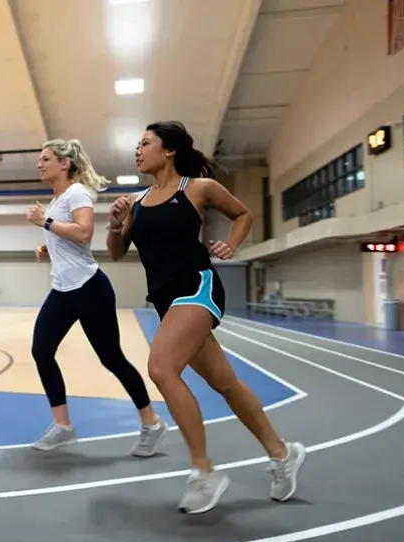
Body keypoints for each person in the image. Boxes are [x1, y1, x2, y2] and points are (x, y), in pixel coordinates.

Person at [106, 121, 305, 514]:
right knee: (225, 383)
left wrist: (230, 245)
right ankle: (283, 454)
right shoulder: (136, 202)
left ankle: (204, 471)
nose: (138, 150)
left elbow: (243, 214)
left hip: (197, 289)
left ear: (169, 151)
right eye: (138, 144)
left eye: (146, 143)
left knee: (161, 368)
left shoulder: (197, 188)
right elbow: (115, 251)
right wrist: (114, 224)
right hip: (166, 302)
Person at [25, 138, 167, 456]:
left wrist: (44, 222)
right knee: (41, 351)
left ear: (65, 163)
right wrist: (49, 248)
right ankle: (62, 426)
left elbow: (85, 232)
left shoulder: (76, 192)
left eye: (45, 158)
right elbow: (72, 238)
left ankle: (152, 423)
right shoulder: (57, 198)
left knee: (111, 358)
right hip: (62, 290)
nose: (39, 163)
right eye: (39, 158)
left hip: (90, 288)